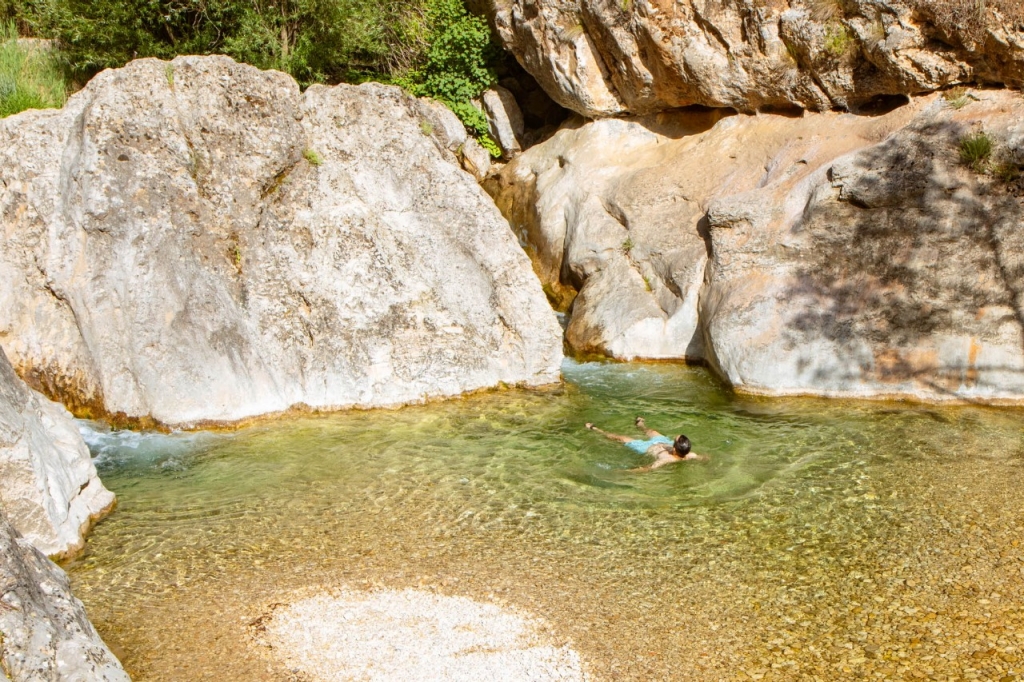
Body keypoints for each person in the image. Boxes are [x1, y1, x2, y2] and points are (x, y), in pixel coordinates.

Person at [584, 416, 707, 472]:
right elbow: (704, 457)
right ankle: (641, 425)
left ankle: (596, 429)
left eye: (674, 440)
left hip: (645, 448)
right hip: (662, 442)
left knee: (620, 438)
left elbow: (647, 468)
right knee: (652, 431)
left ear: (675, 449)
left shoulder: (666, 459)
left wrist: (624, 472)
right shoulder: (689, 454)